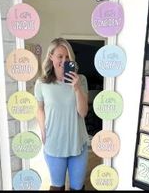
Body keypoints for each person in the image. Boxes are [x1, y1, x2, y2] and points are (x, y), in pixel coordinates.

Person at [34, 38, 89, 191]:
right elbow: (39, 109)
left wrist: (77, 88)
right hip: (54, 145)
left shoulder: (81, 80)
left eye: (67, 57)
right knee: (57, 188)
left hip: (78, 143)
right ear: (51, 56)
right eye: (60, 56)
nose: (64, 61)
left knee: (77, 188)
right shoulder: (42, 83)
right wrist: (43, 131)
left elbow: (83, 112)